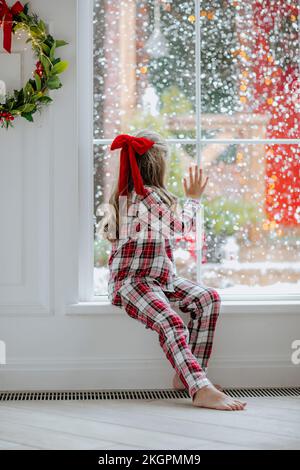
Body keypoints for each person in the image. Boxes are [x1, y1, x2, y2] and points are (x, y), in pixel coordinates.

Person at [100, 129, 246, 411]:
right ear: (158, 164)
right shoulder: (147, 196)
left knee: (208, 298)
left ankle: (191, 377)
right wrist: (194, 198)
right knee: (172, 323)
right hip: (133, 283)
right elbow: (179, 228)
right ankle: (200, 387)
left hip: (161, 279)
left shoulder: (129, 196)